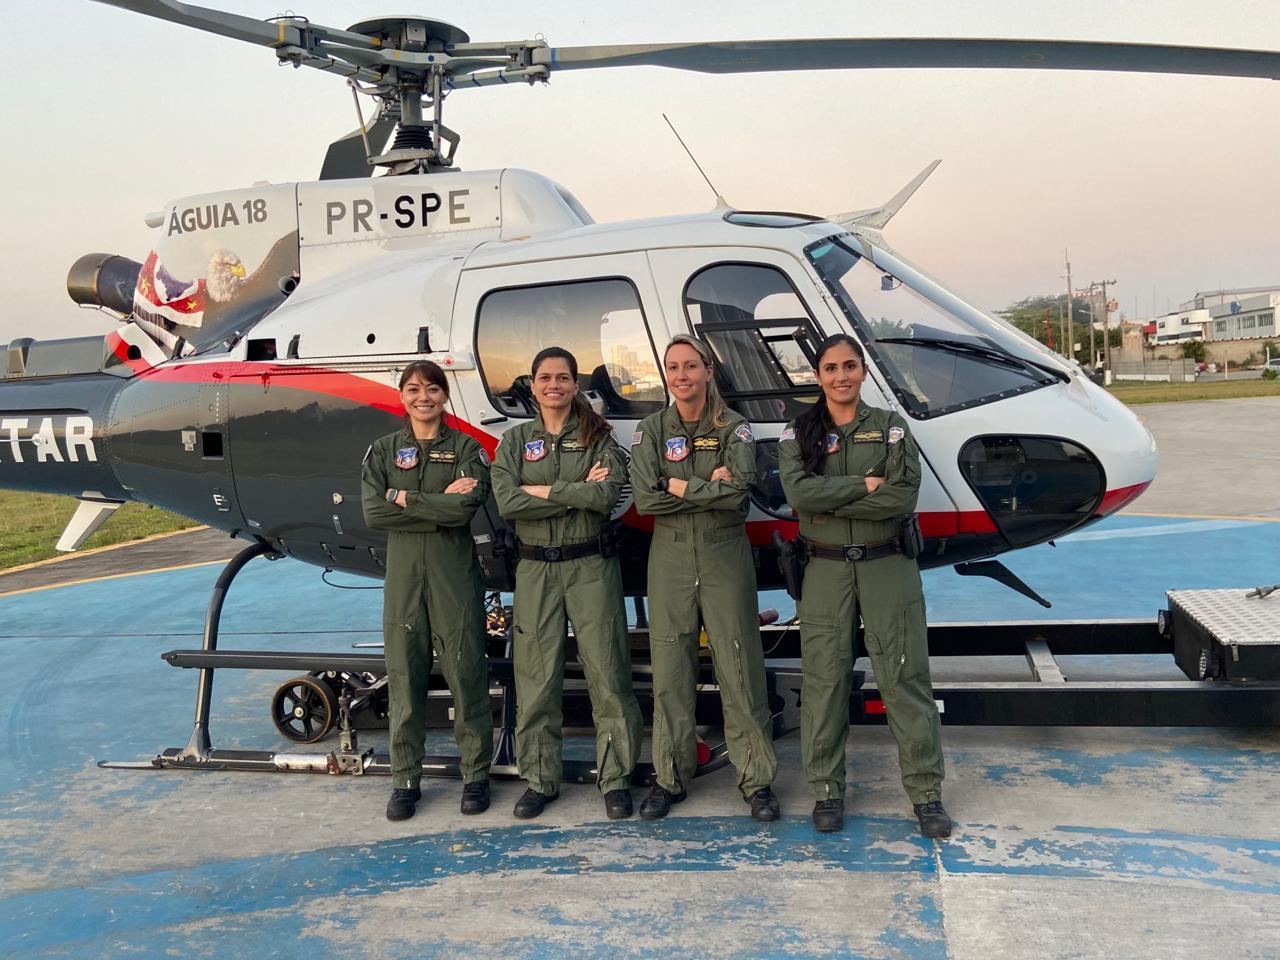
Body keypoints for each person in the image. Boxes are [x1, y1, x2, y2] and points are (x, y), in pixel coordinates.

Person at [777, 333, 950, 838]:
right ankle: (827, 790)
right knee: (824, 683)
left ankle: (926, 795)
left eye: (850, 366)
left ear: (863, 371)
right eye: (830, 368)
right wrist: (861, 486)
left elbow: (901, 498)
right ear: (817, 376)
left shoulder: (891, 428)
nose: (841, 376)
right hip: (826, 570)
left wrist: (827, 501)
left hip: (887, 567)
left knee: (905, 679)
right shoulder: (800, 433)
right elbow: (798, 494)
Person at [630, 333, 780, 822]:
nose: (681, 376)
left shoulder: (735, 429)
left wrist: (675, 482)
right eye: (673, 367)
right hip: (670, 557)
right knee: (671, 671)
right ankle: (669, 778)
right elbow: (647, 500)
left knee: (739, 666)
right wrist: (704, 485)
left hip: (723, 555)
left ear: (707, 371)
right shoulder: (651, 430)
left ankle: (756, 781)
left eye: (690, 366)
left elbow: (738, 498)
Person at [491, 347, 643, 820]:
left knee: (609, 673)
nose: (553, 385)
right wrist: (570, 492)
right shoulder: (514, 443)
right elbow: (507, 502)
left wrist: (541, 490)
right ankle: (540, 778)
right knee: (536, 678)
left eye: (563, 377)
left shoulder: (600, 437)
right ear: (532, 385)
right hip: (535, 570)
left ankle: (615, 778)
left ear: (576, 385)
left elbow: (603, 498)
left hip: (590, 566)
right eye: (544, 377)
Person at [361, 360, 494, 822]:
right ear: (402, 396)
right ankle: (405, 781)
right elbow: (374, 513)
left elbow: (463, 513)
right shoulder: (382, 451)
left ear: (444, 395)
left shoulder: (467, 449)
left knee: (466, 671)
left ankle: (476, 776)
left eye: (432, 389)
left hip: (452, 573)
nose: (424, 397)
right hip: (403, 578)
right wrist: (435, 502)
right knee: (404, 676)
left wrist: (406, 498)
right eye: (414, 389)